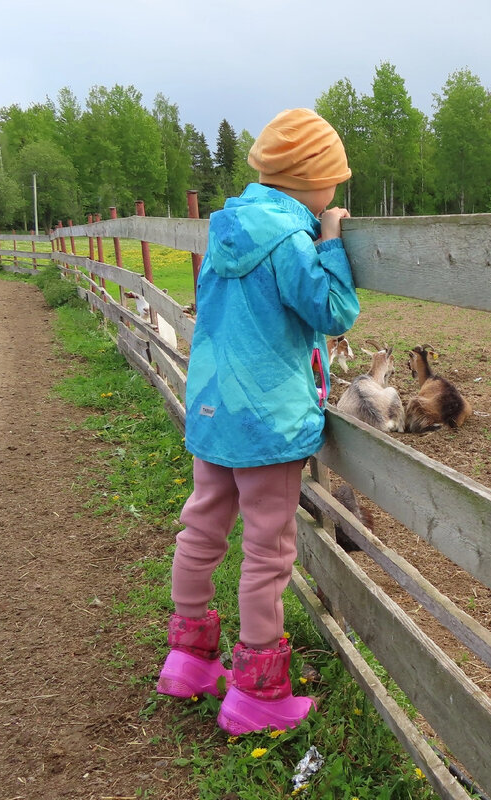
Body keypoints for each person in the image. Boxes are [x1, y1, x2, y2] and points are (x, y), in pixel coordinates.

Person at [155, 108, 359, 735]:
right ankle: (258, 694)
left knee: (201, 528)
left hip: (214, 410)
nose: (337, 191)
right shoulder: (292, 241)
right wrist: (329, 243)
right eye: (334, 180)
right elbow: (334, 312)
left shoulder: (226, 230)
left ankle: (188, 661)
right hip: (267, 421)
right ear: (311, 182)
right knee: (267, 552)